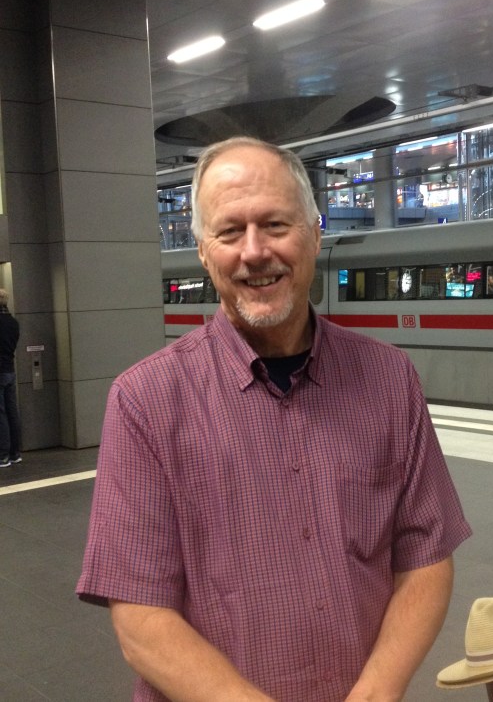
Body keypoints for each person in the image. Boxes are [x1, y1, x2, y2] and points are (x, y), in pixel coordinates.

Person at [77, 136, 472, 702]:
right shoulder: (144, 401)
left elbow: (425, 558)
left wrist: (376, 692)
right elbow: (140, 616)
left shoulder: (390, 380)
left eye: (275, 225)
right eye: (229, 232)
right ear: (204, 252)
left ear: (315, 232)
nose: (254, 251)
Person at [0, 288, 21, 468]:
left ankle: (3, 455)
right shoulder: (13, 323)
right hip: (9, 370)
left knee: (1, 413)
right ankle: (15, 453)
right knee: (12, 411)